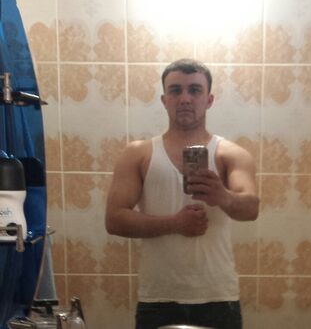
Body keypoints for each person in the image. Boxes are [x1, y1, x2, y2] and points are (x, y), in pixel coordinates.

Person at [105, 58, 259, 329]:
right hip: (158, 298)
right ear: (164, 100)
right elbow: (114, 220)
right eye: (175, 90)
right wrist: (175, 224)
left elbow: (251, 208)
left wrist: (222, 196)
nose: (185, 98)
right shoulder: (138, 153)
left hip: (218, 297)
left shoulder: (231, 154)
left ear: (209, 100)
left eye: (195, 90)